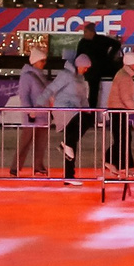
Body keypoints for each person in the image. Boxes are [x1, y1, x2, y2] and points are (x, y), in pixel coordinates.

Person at [10, 45, 56, 176]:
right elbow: (24, 95)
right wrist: (29, 110)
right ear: (35, 61)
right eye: (42, 61)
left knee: (41, 143)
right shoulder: (27, 76)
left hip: (43, 114)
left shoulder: (41, 76)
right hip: (33, 115)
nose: (44, 63)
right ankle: (15, 167)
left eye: (45, 61)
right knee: (25, 142)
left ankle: (38, 166)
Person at [50, 51, 90, 182]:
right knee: (72, 139)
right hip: (63, 110)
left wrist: (88, 110)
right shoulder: (65, 75)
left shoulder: (81, 79)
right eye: (85, 67)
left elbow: (83, 98)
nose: (86, 69)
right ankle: (65, 145)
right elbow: (52, 90)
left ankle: (69, 175)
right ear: (79, 65)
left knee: (72, 144)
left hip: (74, 110)